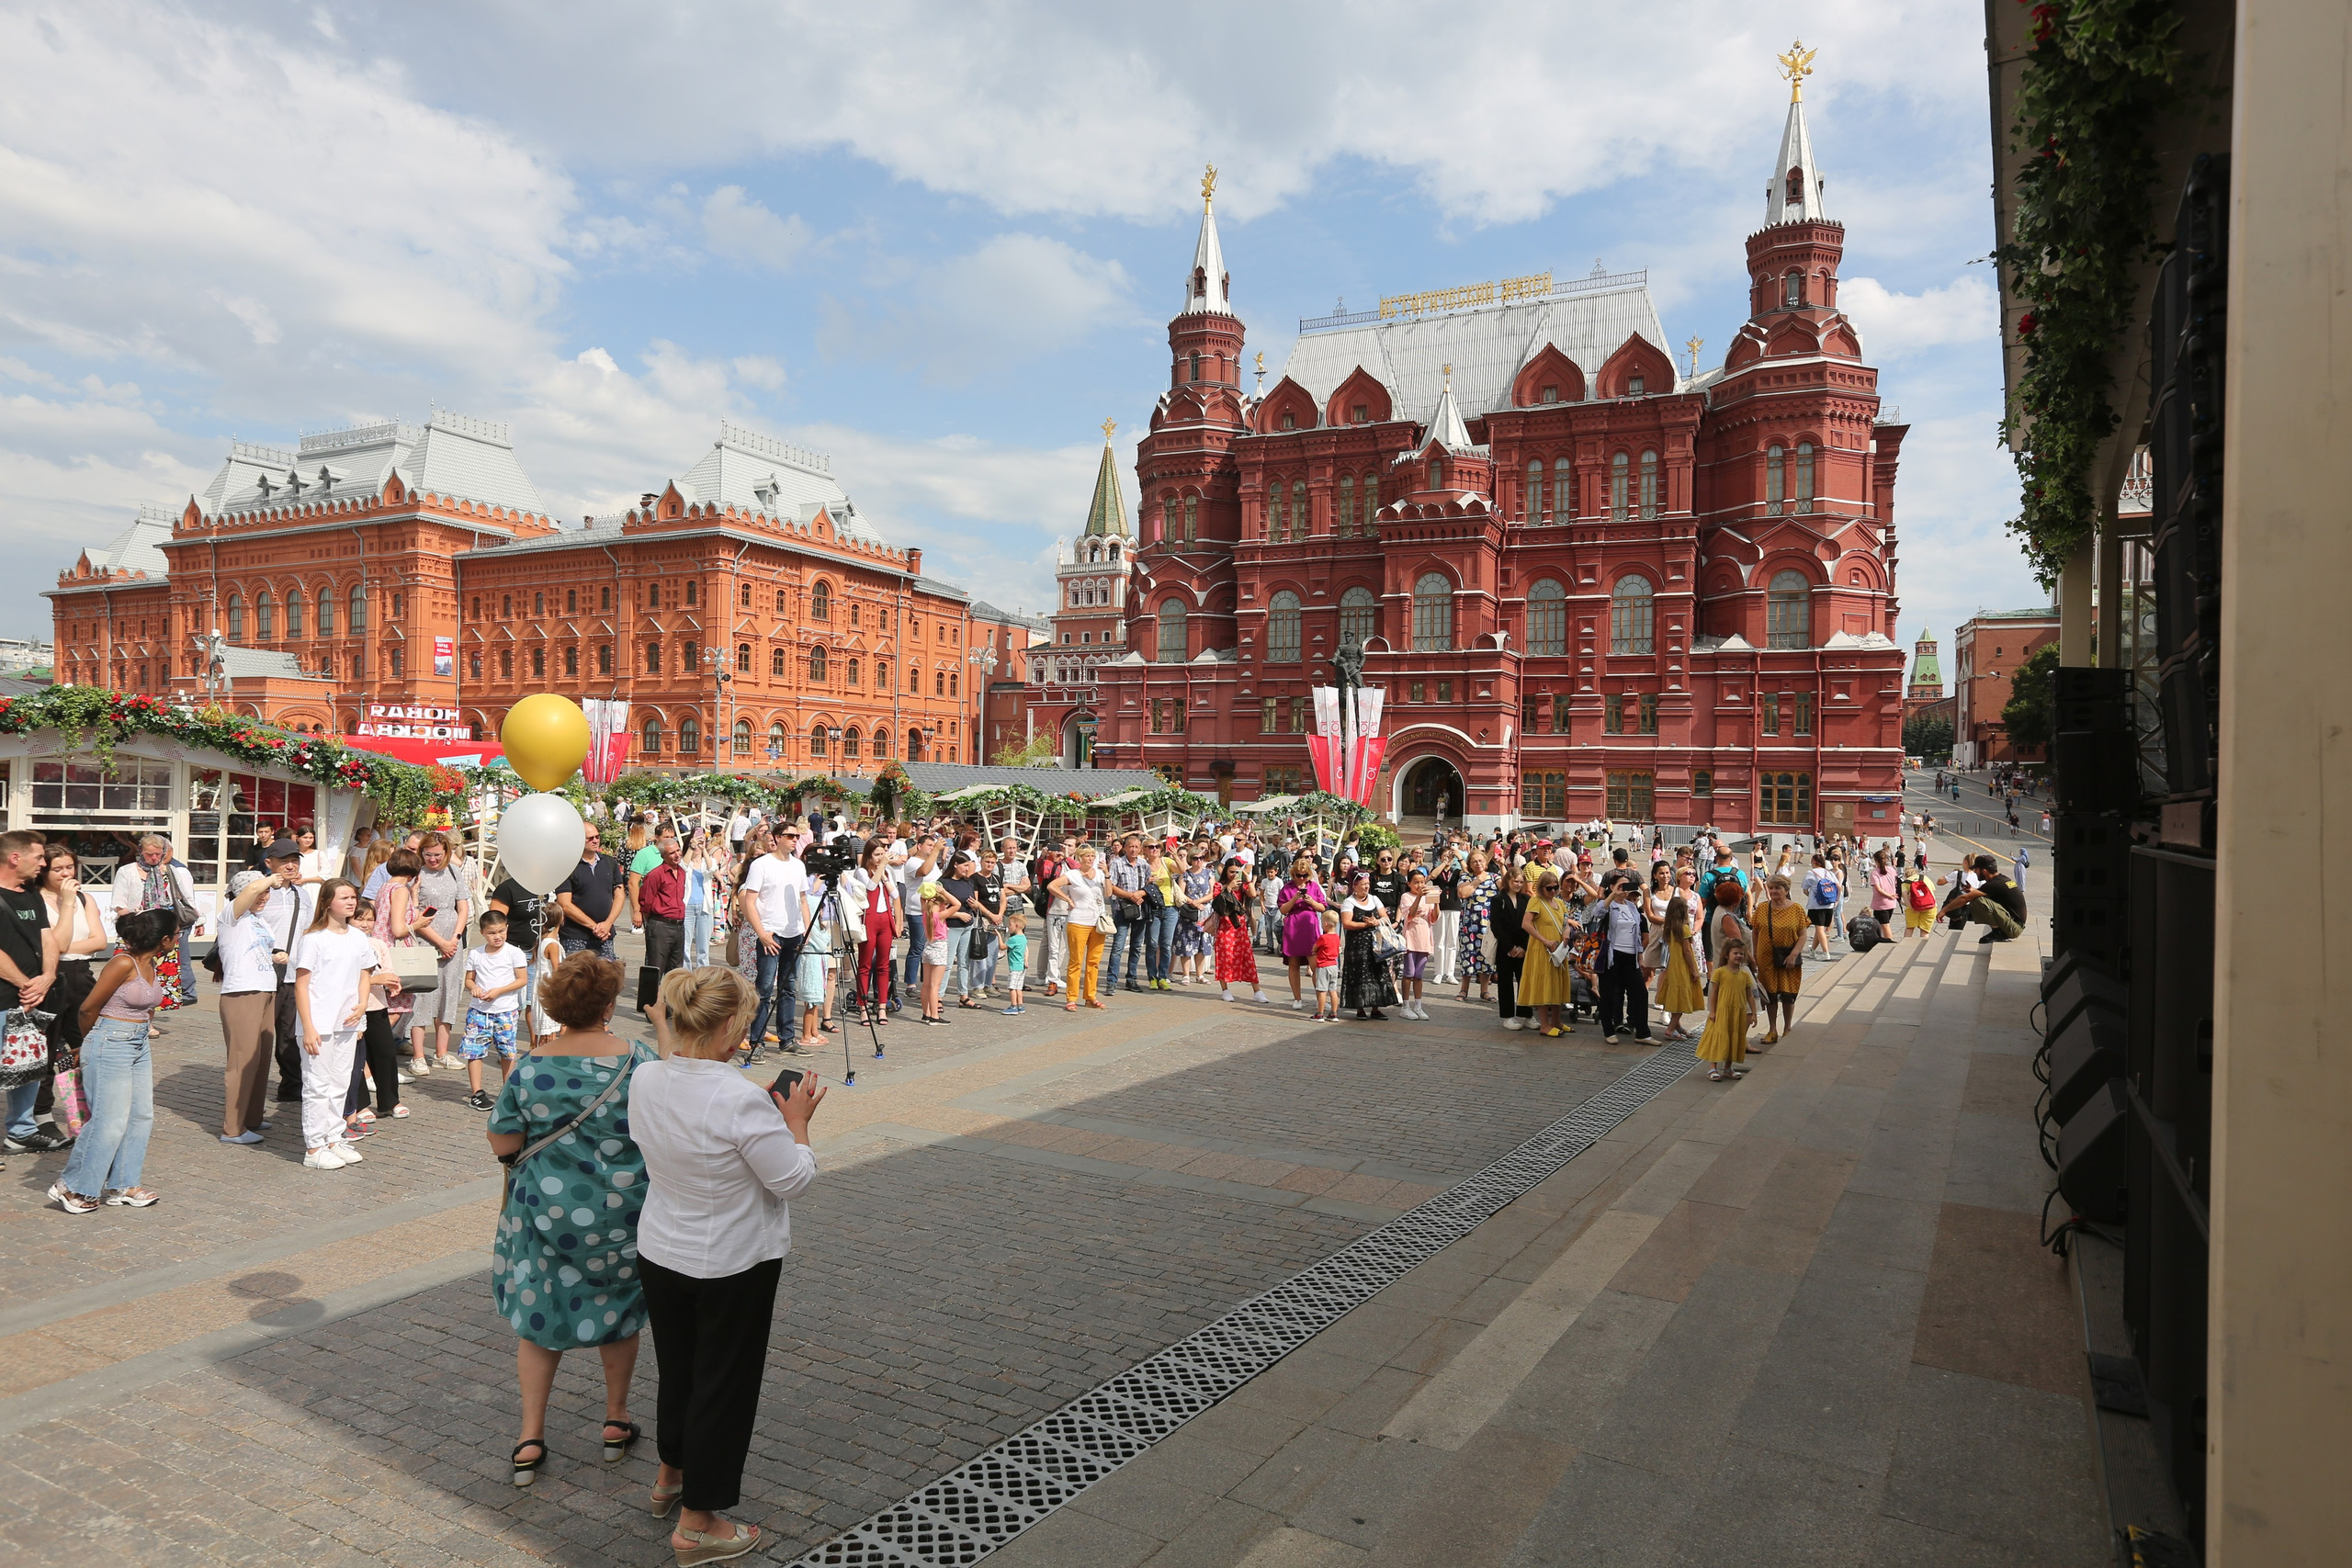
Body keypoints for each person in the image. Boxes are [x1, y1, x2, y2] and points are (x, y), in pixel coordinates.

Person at [628, 967, 821, 1563]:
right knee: (723, 1385)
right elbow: (790, 1177)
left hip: (663, 1249)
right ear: (731, 1033)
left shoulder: (648, 1076)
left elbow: (681, 1077)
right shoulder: (739, 1097)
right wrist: (797, 1124)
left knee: (681, 1371)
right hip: (731, 1260)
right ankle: (697, 1521)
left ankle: (671, 1475)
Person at [488, 951, 653, 1490]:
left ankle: (530, 1436)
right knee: (620, 1313)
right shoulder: (639, 1060)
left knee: (540, 1321)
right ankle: (614, 1419)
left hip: (545, 1216)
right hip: (623, 1215)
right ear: (609, 1004)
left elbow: (504, 1139)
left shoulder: (534, 1065)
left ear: (558, 1004)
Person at [49, 907, 176, 1211]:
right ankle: (73, 1187)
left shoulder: (152, 963)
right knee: (109, 1120)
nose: (178, 941)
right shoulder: (122, 963)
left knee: (140, 1115)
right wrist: (89, 1044)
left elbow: (146, 1007)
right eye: (178, 935)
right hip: (110, 1042)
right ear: (166, 939)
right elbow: (88, 1009)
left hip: (137, 1044)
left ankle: (123, 1184)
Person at [291, 879, 379, 1171]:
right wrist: (308, 1026)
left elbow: (364, 974)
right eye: (345, 897)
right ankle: (314, 1147)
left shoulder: (357, 937)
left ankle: (333, 1137)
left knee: (341, 1082)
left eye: (353, 897)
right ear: (328, 902)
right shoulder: (313, 939)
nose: (352, 902)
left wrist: (362, 1004)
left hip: (348, 1021)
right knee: (318, 1084)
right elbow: (301, 986)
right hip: (319, 1022)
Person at [19, 846, 103, 1155]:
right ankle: (41, 1113)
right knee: (47, 1048)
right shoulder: (36, 899)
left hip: (81, 975)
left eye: (70, 867)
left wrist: (63, 943)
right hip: (51, 976)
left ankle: (80, 1108)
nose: (67, 874)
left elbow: (99, 940)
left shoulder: (85, 898)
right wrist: (66, 906)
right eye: (59, 869)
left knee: (83, 1045)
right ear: (44, 872)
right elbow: (58, 942)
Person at [737, 826, 812, 1053]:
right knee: (765, 987)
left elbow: (803, 900)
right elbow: (749, 901)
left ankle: (787, 1038)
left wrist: (807, 930)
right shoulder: (762, 865)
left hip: (794, 932)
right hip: (771, 932)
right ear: (777, 838)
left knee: (789, 987)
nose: (794, 840)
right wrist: (762, 933)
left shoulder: (798, 865)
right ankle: (756, 1040)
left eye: (797, 837)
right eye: (790, 836)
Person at [108, 834, 197, 1028]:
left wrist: (198, 920)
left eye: (158, 854)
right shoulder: (127, 871)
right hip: (135, 932)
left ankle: (149, 1023)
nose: (154, 859)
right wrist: (132, 914)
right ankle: (125, 1016)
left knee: (158, 979)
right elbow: (118, 902)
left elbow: (185, 898)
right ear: (141, 852)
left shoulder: (171, 871)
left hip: (162, 932)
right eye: (149, 855)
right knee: (132, 976)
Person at [409, 834, 472, 1071]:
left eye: (438, 854)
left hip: (452, 940)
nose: (433, 859)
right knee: (423, 995)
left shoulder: (454, 872)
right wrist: (440, 942)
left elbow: (463, 907)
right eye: (428, 854)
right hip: (426, 940)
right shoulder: (416, 875)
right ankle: (418, 1055)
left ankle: (441, 1053)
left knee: (448, 993)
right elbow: (413, 913)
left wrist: (454, 938)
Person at [344, 899, 405, 1136]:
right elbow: (345, 979)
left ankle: (390, 1101)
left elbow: (388, 972)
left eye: (370, 919)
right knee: (356, 1059)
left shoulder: (378, 944)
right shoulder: (344, 944)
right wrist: (376, 980)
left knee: (386, 1054)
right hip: (352, 1008)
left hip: (377, 1006)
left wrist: (393, 983)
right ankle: (359, 1105)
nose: (366, 924)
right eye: (360, 918)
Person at [460, 911, 531, 1111]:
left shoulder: (514, 953)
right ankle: (477, 1092)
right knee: (475, 1051)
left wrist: (499, 990)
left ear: (507, 928)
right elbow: (469, 979)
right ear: (482, 932)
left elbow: (522, 979)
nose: (497, 936)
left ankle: (508, 1091)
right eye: (491, 933)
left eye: (501, 931)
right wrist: (473, 987)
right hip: (479, 1011)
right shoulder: (476, 953)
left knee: (507, 1052)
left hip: (506, 1011)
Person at [843, 840, 903, 1029]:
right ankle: (863, 1007)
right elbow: (870, 887)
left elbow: (895, 895)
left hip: (885, 919)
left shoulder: (885, 873)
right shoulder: (862, 872)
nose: (880, 858)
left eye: (882, 854)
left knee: (884, 965)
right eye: (877, 855)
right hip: (869, 920)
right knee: (865, 964)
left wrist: (899, 922)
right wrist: (882, 867)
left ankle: (883, 1006)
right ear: (869, 856)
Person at [1594, 875, 1654, 1043]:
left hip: (1630, 956)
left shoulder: (1631, 907)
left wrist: (1640, 956)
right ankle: (1609, 1030)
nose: (1624, 888)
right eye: (1621, 884)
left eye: (1627, 885)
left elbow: (1637, 934)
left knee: (1640, 993)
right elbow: (1597, 913)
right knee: (1609, 994)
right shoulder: (1608, 904)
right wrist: (1613, 894)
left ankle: (1643, 1033)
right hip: (1612, 955)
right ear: (1612, 886)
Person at [555, 824, 627, 961]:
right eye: (590, 838)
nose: (595, 840)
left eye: (597, 837)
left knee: (605, 979)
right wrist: (594, 927)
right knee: (578, 979)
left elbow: (619, 894)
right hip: (575, 936)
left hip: (605, 935)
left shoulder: (610, 863)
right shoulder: (567, 866)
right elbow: (564, 904)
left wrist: (608, 924)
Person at [1518, 870, 1575, 1038]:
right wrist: (1544, 940)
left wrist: (1566, 931)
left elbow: (1565, 923)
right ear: (1541, 888)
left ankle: (1556, 1021)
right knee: (1544, 984)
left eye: (1555, 887)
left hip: (1558, 949)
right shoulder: (1536, 902)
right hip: (1542, 950)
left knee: (1557, 983)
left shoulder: (1559, 903)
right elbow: (1526, 924)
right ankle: (1544, 1024)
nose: (1552, 891)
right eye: (1549, 888)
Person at [1752, 875, 1809, 1046]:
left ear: (1786, 890)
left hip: (1788, 958)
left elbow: (1803, 934)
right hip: (1766, 958)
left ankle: (1787, 1028)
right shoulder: (1762, 908)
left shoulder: (1797, 909)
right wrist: (1755, 954)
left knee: (1787, 994)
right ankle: (1772, 1029)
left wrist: (1794, 954)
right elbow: (1755, 930)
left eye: (1778, 888)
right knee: (1770, 995)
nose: (1774, 891)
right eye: (1771, 888)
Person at [1051, 847, 1109, 1011]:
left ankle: (1091, 996)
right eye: (1087, 856)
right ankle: (1071, 997)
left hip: (1098, 922)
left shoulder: (1099, 874)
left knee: (1094, 961)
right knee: (1076, 961)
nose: (1090, 859)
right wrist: (1067, 899)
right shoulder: (1073, 875)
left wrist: (1107, 874)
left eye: (1092, 856)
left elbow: (1109, 893)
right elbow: (1052, 886)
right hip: (1078, 921)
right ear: (1080, 858)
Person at [1696, 937, 1758, 1083]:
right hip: (1722, 1011)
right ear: (1727, 955)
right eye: (1735, 953)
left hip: (1738, 1012)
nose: (1739, 956)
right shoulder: (1720, 973)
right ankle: (1713, 1067)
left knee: (1733, 1038)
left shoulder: (1744, 975)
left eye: (1741, 954)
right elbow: (1714, 993)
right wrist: (1713, 1011)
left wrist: (1754, 1013)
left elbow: (1749, 995)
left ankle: (1728, 1067)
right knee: (1719, 1038)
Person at [1337, 872, 1396, 1022]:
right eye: (1363, 884)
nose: (1367, 887)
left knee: (1376, 973)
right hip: (1357, 945)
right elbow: (1347, 923)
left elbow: (1385, 917)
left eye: (1368, 884)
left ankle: (1376, 1008)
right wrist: (1365, 924)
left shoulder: (1375, 899)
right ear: (1355, 886)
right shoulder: (1349, 902)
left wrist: (1377, 922)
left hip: (1375, 944)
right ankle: (1360, 1008)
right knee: (1359, 974)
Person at [1210, 859, 1267, 1005]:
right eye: (1231, 872)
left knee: (1247, 958)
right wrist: (1228, 888)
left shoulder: (1242, 885)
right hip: (1225, 927)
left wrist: (1247, 878)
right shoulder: (1219, 885)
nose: (1234, 875)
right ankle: (1225, 990)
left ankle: (1257, 991)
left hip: (1240, 928)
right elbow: (1217, 904)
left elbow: (1253, 894)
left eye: (1237, 871)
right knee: (1225, 957)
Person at [1276, 856, 1329, 1011]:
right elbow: (1282, 909)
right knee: (1293, 964)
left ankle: (1321, 998)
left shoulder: (1314, 887)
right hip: (1293, 926)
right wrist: (1294, 899)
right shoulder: (1288, 887)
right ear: (1293, 875)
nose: (1301, 878)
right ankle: (1297, 998)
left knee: (1316, 965)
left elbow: (1323, 908)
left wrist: (1311, 901)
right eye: (1298, 875)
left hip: (1310, 926)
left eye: (1304, 875)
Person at [1651, 893, 1705, 1042]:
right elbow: (1687, 951)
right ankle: (1670, 1029)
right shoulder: (1684, 929)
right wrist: (1694, 970)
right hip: (1682, 966)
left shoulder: (1669, 928)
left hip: (1672, 965)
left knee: (1674, 996)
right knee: (1681, 1000)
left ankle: (1677, 1027)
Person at [1102, 835, 1150, 994]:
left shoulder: (1144, 864)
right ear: (1125, 847)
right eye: (1131, 846)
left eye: (1137, 847)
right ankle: (1111, 981)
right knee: (1118, 946)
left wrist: (1141, 894)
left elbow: (1149, 886)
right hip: (1122, 909)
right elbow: (1112, 886)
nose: (1134, 849)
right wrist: (1130, 895)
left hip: (1140, 909)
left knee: (1136, 947)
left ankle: (1132, 979)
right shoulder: (1117, 863)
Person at [1488, 865, 1534, 1030]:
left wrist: (1523, 946)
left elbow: (1531, 924)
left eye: (1521, 882)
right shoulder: (1498, 900)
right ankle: (1507, 1016)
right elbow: (1496, 925)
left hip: (1523, 947)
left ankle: (1526, 1014)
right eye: (1516, 881)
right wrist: (1510, 947)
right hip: (1505, 947)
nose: (1518, 884)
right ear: (1508, 880)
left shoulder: (1526, 900)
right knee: (1505, 982)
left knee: (1525, 981)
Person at [1946, 854, 2030, 943]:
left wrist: (1944, 911)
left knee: (1977, 900)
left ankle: (1997, 932)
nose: (1975, 872)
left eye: (1976, 870)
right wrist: (1973, 890)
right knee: (1978, 896)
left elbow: (1965, 898)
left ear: (1984, 871)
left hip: (2013, 928)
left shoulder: (1994, 884)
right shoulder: (2002, 879)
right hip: (2015, 924)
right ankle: (1998, 931)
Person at [1394, 869, 1438, 1021]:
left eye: (1422, 882)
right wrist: (1418, 897)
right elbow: (1410, 914)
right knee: (1409, 973)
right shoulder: (1406, 896)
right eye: (1416, 882)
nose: (1419, 885)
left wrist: (1436, 902)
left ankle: (1418, 1006)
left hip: (1425, 936)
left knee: (1419, 975)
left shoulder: (1428, 897)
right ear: (1409, 883)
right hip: (1411, 936)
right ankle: (1405, 1006)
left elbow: (1434, 917)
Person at [1454, 851, 1498, 1005]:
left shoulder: (1494, 877)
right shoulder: (1466, 877)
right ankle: (1464, 989)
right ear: (1470, 865)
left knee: (1486, 956)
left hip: (1488, 925)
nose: (1478, 863)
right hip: (1469, 924)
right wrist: (1477, 881)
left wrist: (1503, 866)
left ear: (1486, 863)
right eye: (1475, 861)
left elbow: (1507, 887)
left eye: (1481, 861)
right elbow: (1463, 893)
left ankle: (1484, 991)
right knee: (1468, 955)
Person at [1172, 845, 1215, 986]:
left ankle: (1200, 974)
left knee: (1202, 944)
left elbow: (1212, 893)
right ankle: (1186, 974)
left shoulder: (1209, 873)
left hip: (1204, 913)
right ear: (1191, 859)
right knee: (1186, 943)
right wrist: (1194, 903)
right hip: (1188, 913)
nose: (1198, 861)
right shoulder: (1185, 875)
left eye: (1201, 858)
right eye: (1195, 858)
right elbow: (1181, 893)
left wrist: (1200, 902)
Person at [916, 878, 955, 1025]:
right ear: (941, 905)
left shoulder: (926, 913)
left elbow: (921, 897)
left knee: (926, 984)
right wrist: (943, 891)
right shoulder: (940, 916)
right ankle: (934, 1016)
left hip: (928, 947)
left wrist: (927, 893)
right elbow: (957, 904)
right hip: (939, 948)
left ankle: (925, 1013)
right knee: (935, 986)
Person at [1803, 853, 1841, 958]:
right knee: (1820, 929)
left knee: (1819, 928)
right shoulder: (1828, 872)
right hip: (1829, 904)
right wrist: (1836, 900)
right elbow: (1839, 887)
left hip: (1816, 905)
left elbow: (1805, 889)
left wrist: (1811, 895)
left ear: (1814, 862)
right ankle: (1813, 950)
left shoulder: (1811, 873)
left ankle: (1826, 953)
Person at [1309, 909, 1341, 1021]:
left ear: (1326, 924)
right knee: (1333, 990)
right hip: (1334, 965)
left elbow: (1314, 948)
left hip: (1323, 966)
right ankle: (1334, 1013)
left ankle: (1320, 1013)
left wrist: (1315, 951)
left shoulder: (1323, 937)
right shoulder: (1337, 937)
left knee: (1322, 990)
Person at [999, 905, 1029, 1017]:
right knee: (1019, 988)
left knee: (1012, 988)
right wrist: (1026, 960)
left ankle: (1013, 1006)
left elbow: (1002, 947)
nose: (1008, 926)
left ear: (1016, 926)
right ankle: (1020, 1006)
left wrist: (998, 935)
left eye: (1010, 924)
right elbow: (1026, 950)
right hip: (1021, 966)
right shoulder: (1023, 938)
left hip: (1014, 967)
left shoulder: (1014, 939)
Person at [1867, 850, 1901, 936]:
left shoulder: (1875, 873)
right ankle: (1882, 940)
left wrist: (1888, 895)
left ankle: (1888, 942)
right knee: (1883, 924)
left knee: (1885, 925)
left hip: (1881, 903)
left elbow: (1878, 889)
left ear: (1876, 860)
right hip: (1892, 902)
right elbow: (1896, 883)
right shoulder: (1892, 870)